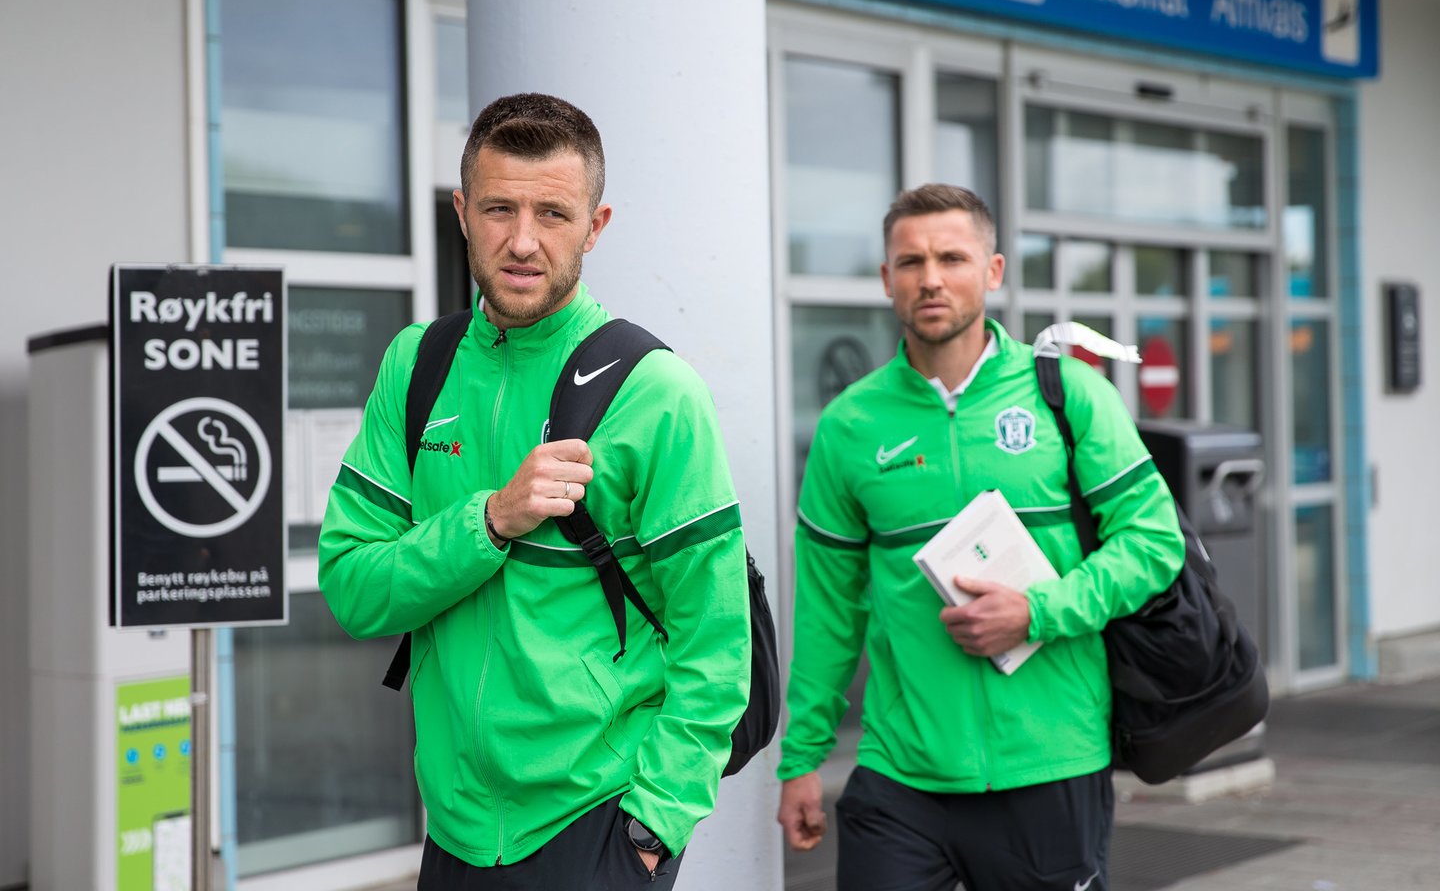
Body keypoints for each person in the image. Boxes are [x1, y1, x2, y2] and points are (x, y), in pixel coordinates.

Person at [319, 93, 750, 890]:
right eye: (499, 209)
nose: (522, 241)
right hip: (454, 825)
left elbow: (715, 640)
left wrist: (655, 824)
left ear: (595, 225)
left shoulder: (658, 394)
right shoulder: (417, 366)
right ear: (462, 212)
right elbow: (352, 587)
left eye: (553, 213)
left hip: (596, 821)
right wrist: (489, 520)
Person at [775, 184, 1185, 891]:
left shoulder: (1069, 395)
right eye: (911, 262)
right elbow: (827, 610)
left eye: (952, 258)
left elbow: (1153, 542)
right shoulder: (849, 426)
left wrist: (1038, 611)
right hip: (901, 772)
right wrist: (803, 757)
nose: (930, 278)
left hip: (1050, 762)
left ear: (993, 270)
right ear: (887, 279)